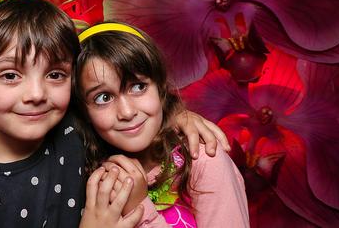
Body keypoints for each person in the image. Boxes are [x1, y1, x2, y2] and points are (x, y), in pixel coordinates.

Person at [0, 0, 228, 228]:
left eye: (55, 75)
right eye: (10, 75)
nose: (36, 94)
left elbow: (120, 102)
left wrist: (179, 117)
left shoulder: (70, 131)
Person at [74, 22, 249, 227]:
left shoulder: (203, 160)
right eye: (103, 98)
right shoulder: (82, 170)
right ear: (83, 111)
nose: (127, 112)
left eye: (138, 87)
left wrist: (139, 209)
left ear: (160, 87)